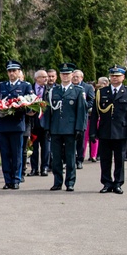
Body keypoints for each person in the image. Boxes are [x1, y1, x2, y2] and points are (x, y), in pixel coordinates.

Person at [91, 65, 127, 194]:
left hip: (121, 131)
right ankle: (106, 183)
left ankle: (118, 183)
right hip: (105, 131)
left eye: (117, 76)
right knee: (105, 159)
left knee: (119, 159)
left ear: (123, 77)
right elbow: (95, 114)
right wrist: (93, 131)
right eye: (112, 76)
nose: (115, 78)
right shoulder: (101, 92)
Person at [45, 63, 87, 192]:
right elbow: (48, 111)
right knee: (56, 157)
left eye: (67, 74)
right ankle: (57, 182)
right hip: (56, 128)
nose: (65, 76)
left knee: (70, 157)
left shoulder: (78, 91)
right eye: (63, 74)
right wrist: (47, 128)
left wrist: (80, 128)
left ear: (72, 75)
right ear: (60, 75)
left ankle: (70, 182)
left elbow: (81, 112)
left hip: (70, 129)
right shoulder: (53, 91)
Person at [0, 61, 33, 190]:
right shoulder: (1, 86)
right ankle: (7, 180)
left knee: (16, 154)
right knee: (5, 154)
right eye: (9, 71)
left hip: (17, 124)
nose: (11, 73)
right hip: (3, 124)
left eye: (14, 71)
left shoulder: (25, 86)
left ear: (19, 72)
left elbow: (31, 105)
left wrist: (20, 108)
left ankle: (16, 179)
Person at [27, 70, 50, 176]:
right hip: (33, 123)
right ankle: (34, 168)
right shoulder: (29, 89)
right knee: (33, 148)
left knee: (46, 147)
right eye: (43, 77)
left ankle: (45, 167)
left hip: (45, 124)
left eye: (47, 77)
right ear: (37, 78)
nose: (46, 78)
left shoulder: (50, 90)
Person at [71, 70, 95, 169]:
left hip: (81, 117)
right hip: (70, 117)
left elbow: (91, 100)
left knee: (80, 140)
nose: (75, 78)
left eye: (77, 77)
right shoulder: (69, 87)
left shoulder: (87, 87)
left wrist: (83, 106)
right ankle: (71, 160)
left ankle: (80, 160)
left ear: (82, 77)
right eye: (74, 76)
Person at [85, 77, 109, 162]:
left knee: (97, 138)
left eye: (99, 83)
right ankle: (88, 155)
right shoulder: (97, 92)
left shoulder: (107, 93)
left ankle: (95, 155)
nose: (97, 84)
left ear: (105, 83)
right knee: (88, 136)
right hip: (91, 117)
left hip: (101, 118)